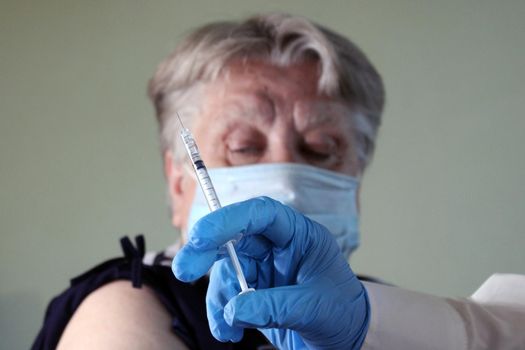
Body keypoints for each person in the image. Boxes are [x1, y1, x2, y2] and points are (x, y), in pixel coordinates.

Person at [32, 13, 525, 350]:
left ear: (356, 181)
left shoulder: (374, 312)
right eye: (244, 147)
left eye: (320, 150)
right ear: (178, 183)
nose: (285, 178)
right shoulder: (129, 305)